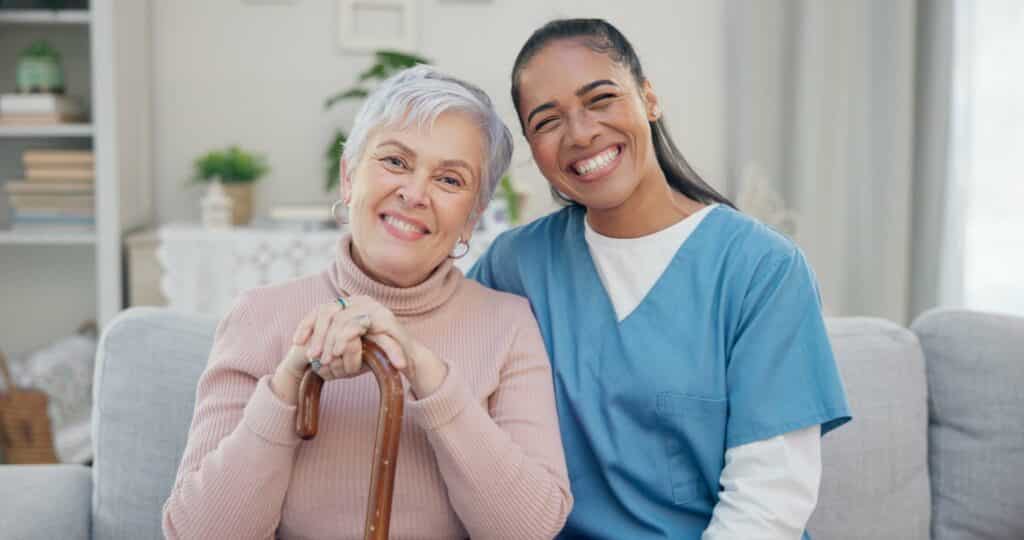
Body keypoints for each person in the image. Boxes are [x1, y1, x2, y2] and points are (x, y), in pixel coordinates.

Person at [470, 18, 851, 539]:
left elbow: (770, 501)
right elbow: (429, 357)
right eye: (547, 121)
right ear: (533, 150)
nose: (580, 134)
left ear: (649, 99)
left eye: (600, 99)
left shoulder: (762, 270)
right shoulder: (514, 266)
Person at [163, 65, 572, 540]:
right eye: (395, 162)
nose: (414, 194)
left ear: (472, 219)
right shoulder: (260, 315)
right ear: (348, 178)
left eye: (450, 180)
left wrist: (424, 370)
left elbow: (531, 529)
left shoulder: (509, 324)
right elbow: (198, 533)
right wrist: (289, 381)